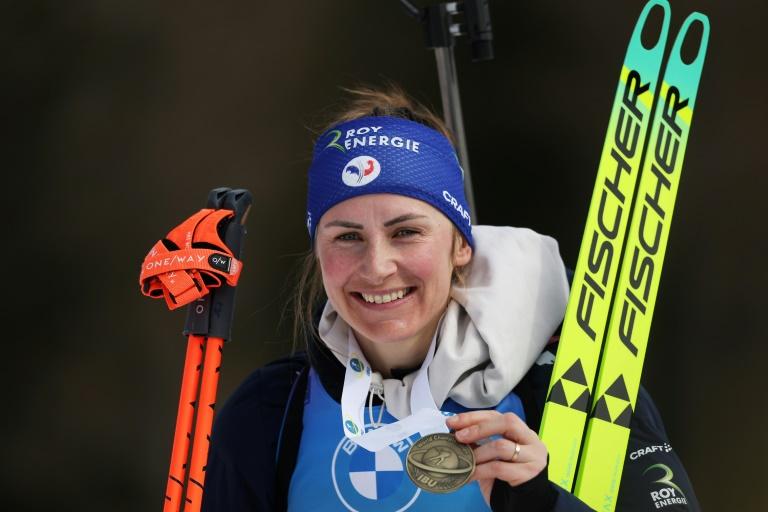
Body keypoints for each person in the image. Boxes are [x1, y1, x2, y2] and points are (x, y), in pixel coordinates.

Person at [201, 86, 699, 511]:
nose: (377, 267)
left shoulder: (568, 386)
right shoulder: (272, 410)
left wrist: (542, 501)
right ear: (317, 249)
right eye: (347, 237)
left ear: (462, 244)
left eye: (407, 232)